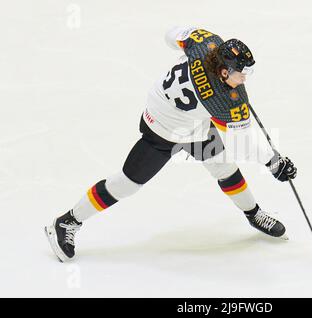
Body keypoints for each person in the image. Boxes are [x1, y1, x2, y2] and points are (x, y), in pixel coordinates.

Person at [45, 27, 297, 262]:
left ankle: (253, 214)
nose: (245, 78)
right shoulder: (223, 102)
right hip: (163, 131)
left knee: (225, 169)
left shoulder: (204, 43)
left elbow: (172, 35)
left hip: (188, 125)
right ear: (223, 72)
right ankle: (67, 221)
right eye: (242, 73)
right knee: (126, 184)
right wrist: (274, 162)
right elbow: (244, 145)